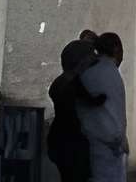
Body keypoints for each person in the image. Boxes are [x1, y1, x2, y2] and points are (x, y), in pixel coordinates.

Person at [77, 34, 128, 182]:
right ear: (116, 49)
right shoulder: (108, 73)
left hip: (96, 145)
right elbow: (111, 115)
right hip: (106, 148)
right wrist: (119, 140)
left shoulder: (92, 71)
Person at [47, 42, 95, 182]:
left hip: (62, 142)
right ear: (81, 61)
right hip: (71, 145)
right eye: (90, 57)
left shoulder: (61, 82)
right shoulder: (72, 84)